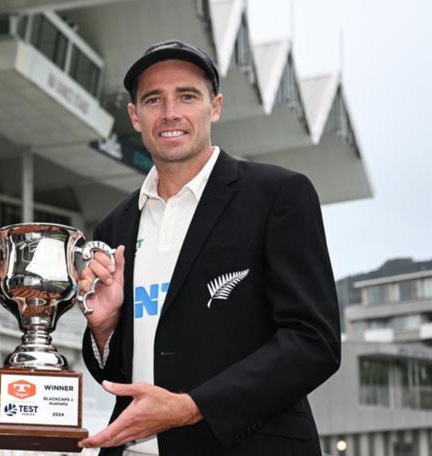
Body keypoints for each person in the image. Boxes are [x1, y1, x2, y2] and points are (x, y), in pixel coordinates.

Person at [77, 40, 341, 455]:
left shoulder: (277, 194)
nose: (170, 113)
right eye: (153, 100)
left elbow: (314, 341)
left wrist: (191, 407)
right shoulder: (114, 226)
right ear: (134, 116)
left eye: (187, 96)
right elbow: (115, 372)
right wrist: (103, 330)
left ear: (214, 106)